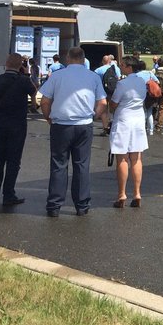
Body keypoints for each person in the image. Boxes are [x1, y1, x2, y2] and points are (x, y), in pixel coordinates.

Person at [39, 46, 106, 217]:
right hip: (84, 124)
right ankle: (82, 205)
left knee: (59, 165)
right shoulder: (93, 77)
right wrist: (95, 116)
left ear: (67, 59)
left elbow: (44, 100)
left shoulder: (58, 76)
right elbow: (103, 103)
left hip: (61, 124)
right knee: (82, 165)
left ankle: (54, 205)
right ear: (83, 60)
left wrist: (48, 117)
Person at [0, 53, 38, 206]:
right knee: (13, 161)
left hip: (0, 123)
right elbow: (34, 91)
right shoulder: (23, 81)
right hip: (17, 124)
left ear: (6, 64)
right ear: (20, 66)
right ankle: (9, 193)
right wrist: (27, 73)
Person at [108, 56, 148, 208]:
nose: (121, 67)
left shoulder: (123, 84)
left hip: (124, 121)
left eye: (123, 65)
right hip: (138, 121)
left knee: (122, 159)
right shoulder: (141, 82)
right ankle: (137, 193)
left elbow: (114, 103)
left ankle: (121, 194)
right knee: (137, 158)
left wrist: (111, 107)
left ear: (128, 67)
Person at [94, 55, 120, 135]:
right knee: (114, 109)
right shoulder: (116, 68)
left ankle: (106, 128)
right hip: (113, 91)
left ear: (102, 61)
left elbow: (95, 82)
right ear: (109, 61)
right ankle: (115, 126)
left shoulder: (98, 70)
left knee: (104, 111)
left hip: (102, 92)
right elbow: (118, 79)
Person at [136, 60, 158, 135]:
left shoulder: (137, 75)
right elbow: (157, 81)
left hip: (140, 95)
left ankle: (142, 129)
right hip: (149, 95)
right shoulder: (150, 73)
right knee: (149, 113)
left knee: (141, 112)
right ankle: (151, 130)